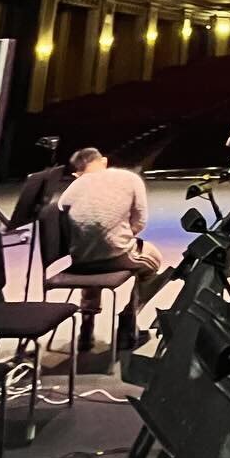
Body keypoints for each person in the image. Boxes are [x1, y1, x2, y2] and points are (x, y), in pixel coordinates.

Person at [58, 147, 166, 351]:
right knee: (154, 261)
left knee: (92, 254)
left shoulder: (73, 187)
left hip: (82, 261)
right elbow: (139, 222)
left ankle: (86, 328)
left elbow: (62, 212)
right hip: (117, 254)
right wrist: (121, 236)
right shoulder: (130, 179)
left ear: (77, 173)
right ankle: (129, 320)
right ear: (104, 162)